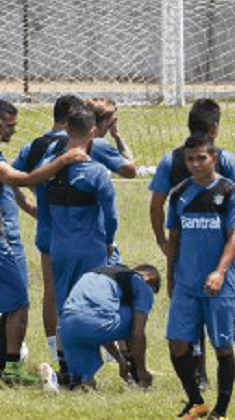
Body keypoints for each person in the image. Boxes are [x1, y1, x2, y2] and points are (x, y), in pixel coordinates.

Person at [149, 99, 235, 390]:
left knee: (196, 314)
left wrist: (164, 242)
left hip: (188, 253)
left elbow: (155, 205)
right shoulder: (222, 158)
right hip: (215, 254)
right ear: (215, 128)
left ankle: (201, 377)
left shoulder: (169, 160)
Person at [12, 95, 135, 365]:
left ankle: (60, 355)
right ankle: (120, 355)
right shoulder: (93, 147)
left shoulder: (37, 147)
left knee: (54, 294)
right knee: (104, 294)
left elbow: (16, 179)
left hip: (52, 235)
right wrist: (118, 137)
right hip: (89, 237)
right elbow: (130, 170)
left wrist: (30, 207)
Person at [0, 100, 88, 385]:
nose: (14, 130)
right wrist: (62, 161)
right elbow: (23, 178)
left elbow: (11, 187)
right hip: (4, 242)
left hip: (10, 236)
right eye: (10, 125)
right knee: (18, 304)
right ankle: (11, 372)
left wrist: (33, 211)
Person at [166, 133, 235, 420]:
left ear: (214, 158)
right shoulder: (179, 193)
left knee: (222, 345)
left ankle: (221, 411)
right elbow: (174, 236)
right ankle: (196, 402)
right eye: (190, 159)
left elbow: (234, 235)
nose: (196, 164)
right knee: (176, 341)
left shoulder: (230, 191)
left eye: (202, 158)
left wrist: (220, 271)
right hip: (186, 282)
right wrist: (171, 274)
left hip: (217, 285)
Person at [58, 264, 160, 389]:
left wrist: (120, 361)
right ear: (149, 277)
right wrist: (141, 369)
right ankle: (135, 373)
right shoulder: (140, 281)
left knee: (84, 385)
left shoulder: (97, 272)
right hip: (95, 325)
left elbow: (95, 319)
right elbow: (137, 333)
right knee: (136, 319)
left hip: (67, 326)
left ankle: (76, 378)